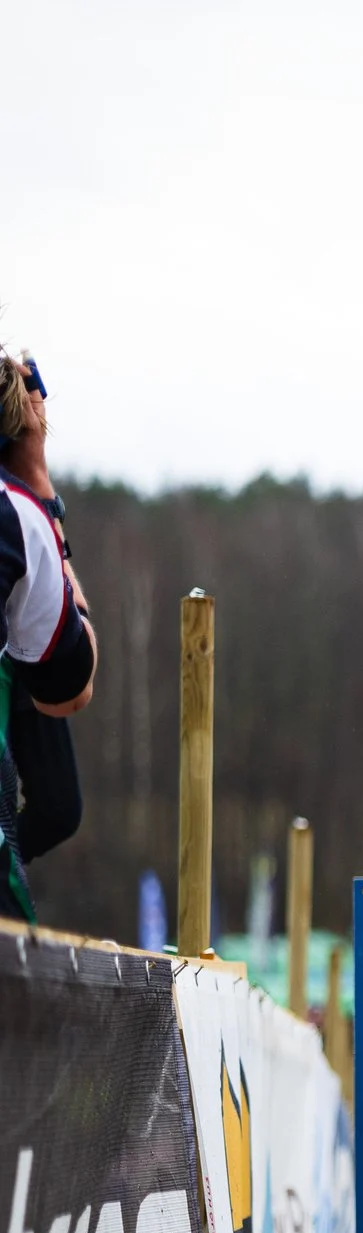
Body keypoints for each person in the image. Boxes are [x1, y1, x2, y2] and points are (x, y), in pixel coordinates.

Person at [0, 350, 98, 924]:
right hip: (26, 656)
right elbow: (75, 687)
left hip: (21, 649)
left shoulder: (20, 513)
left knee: (60, 806)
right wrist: (40, 481)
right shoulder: (22, 511)